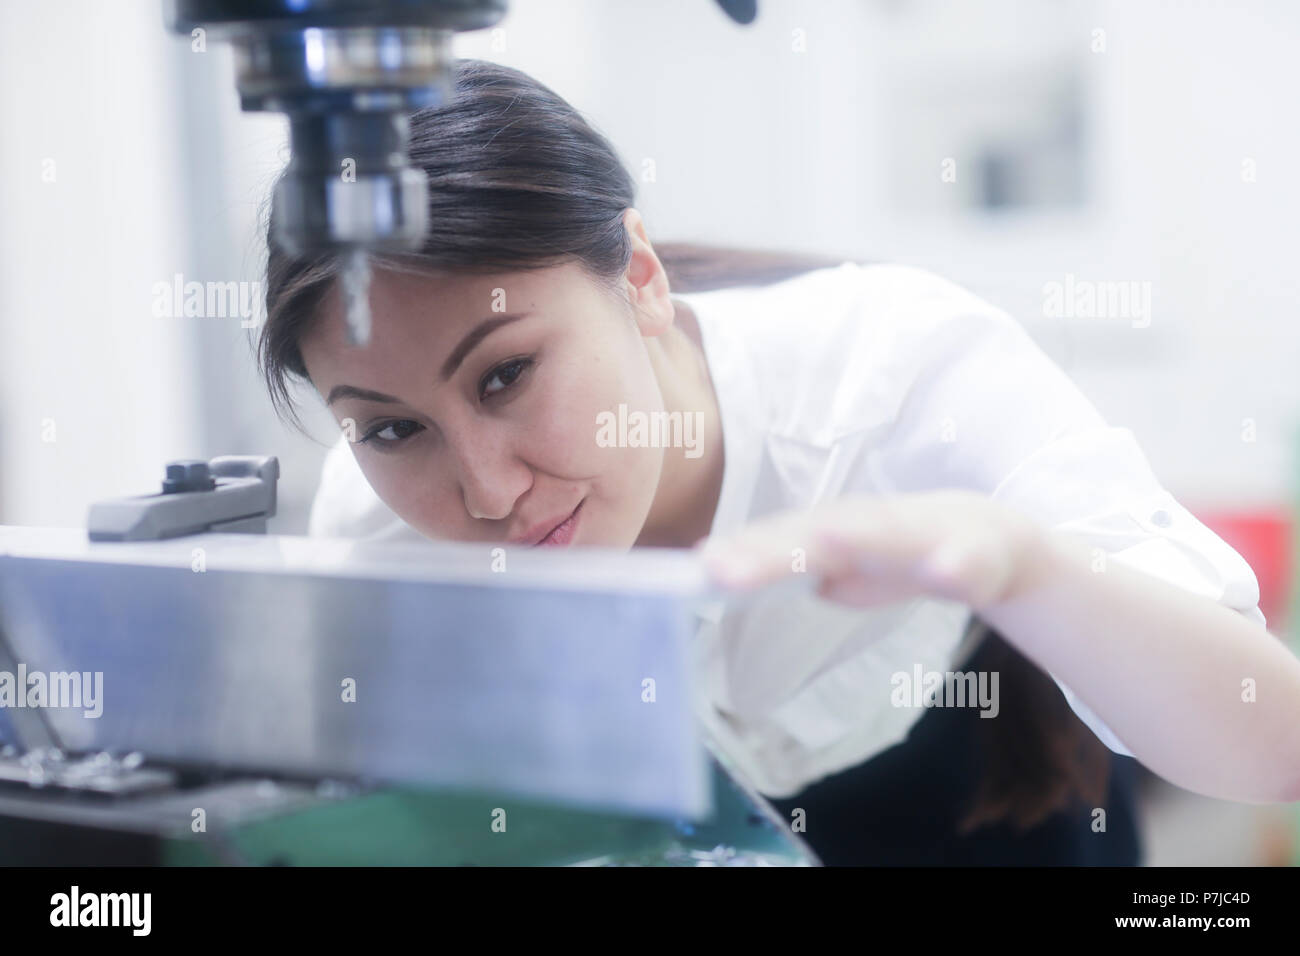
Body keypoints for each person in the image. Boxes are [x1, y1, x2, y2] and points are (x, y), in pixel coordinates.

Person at [258, 58, 1300, 864]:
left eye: (506, 375)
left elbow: (1268, 743)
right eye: (392, 428)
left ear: (643, 276)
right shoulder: (381, 535)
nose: (486, 490)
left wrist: (1021, 565)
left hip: (989, 813)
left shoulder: (895, 369)